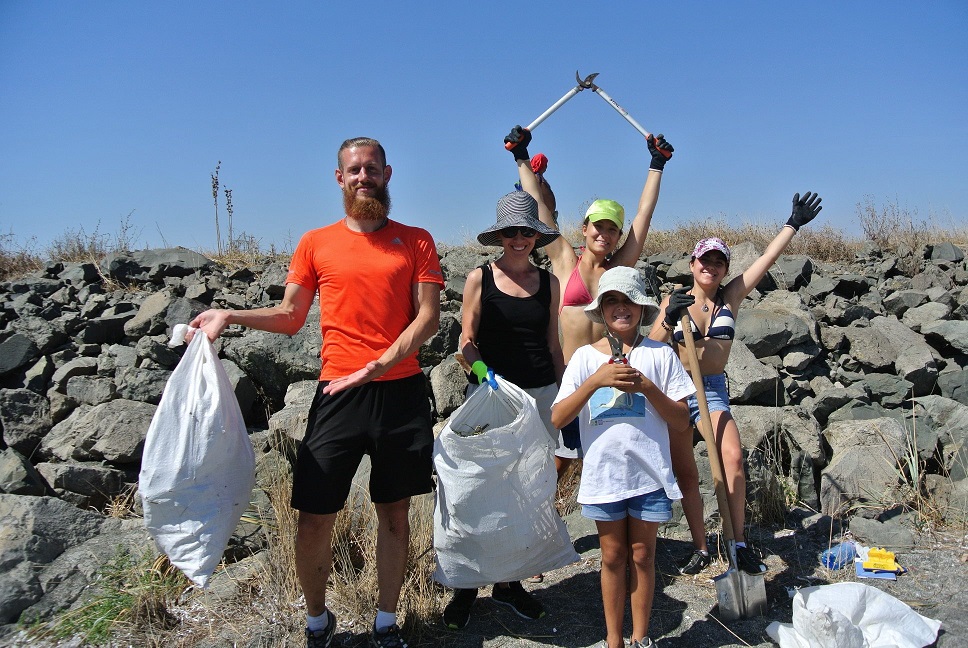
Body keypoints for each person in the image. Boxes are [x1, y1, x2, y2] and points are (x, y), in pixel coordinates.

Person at [188, 137, 444, 648]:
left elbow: (429, 319)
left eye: (372, 168)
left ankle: (387, 624)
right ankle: (317, 623)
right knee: (312, 517)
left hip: (398, 391)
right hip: (338, 395)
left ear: (387, 173)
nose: (363, 176)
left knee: (394, 513)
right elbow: (290, 316)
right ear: (339, 178)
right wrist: (229, 314)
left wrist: (377, 365)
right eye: (354, 169)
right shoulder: (315, 242)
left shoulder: (415, 240)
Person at [648, 191, 823, 576]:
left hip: (711, 390)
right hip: (677, 390)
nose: (711, 265)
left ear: (725, 268)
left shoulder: (731, 297)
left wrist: (791, 224)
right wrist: (668, 320)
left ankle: (737, 542)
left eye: (718, 260)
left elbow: (765, 260)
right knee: (688, 474)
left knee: (733, 462)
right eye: (705, 259)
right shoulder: (673, 300)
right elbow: (651, 348)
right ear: (692, 263)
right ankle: (699, 546)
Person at [505, 125, 674, 480]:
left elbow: (643, 217)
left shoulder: (621, 269)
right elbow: (538, 210)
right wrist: (521, 157)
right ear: (584, 228)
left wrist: (657, 165)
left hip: (607, 382)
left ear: (616, 236)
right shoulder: (564, 259)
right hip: (567, 380)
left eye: (611, 229)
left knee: (601, 464)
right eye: (597, 226)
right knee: (555, 467)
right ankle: (542, 528)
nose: (603, 233)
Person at [550, 266, 694, 648]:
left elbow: (682, 421)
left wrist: (647, 387)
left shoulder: (660, 355)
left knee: (644, 555)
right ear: (601, 310)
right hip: (604, 475)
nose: (620, 308)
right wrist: (595, 381)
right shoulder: (583, 359)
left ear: (642, 308)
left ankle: (641, 636)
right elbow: (559, 416)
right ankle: (614, 639)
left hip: (649, 475)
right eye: (611, 300)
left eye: (628, 300)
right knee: (612, 556)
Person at [442, 189, 565, 630]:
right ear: (500, 237)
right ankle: (466, 588)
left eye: (526, 232)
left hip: (539, 394)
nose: (519, 239)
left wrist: (563, 392)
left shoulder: (549, 283)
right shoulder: (481, 278)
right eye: (511, 232)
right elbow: (465, 339)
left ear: (536, 236)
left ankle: (511, 583)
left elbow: (553, 344)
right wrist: (480, 370)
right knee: (479, 492)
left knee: (528, 492)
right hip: (492, 395)